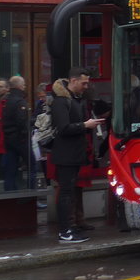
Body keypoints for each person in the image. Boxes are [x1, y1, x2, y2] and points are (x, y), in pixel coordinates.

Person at [49, 69, 103, 243]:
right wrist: (85, 125)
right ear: (73, 80)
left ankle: (68, 228)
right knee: (66, 192)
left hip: (72, 154)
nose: (86, 86)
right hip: (65, 154)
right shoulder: (61, 101)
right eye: (83, 83)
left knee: (69, 192)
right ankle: (65, 231)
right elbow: (63, 128)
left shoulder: (74, 100)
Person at [2, 75, 30, 191]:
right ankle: (32, 191)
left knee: (11, 167)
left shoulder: (6, 100)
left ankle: (9, 193)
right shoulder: (20, 101)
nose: (25, 87)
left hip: (9, 138)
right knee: (31, 165)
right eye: (23, 85)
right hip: (20, 139)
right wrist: (25, 135)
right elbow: (21, 121)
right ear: (20, 86)